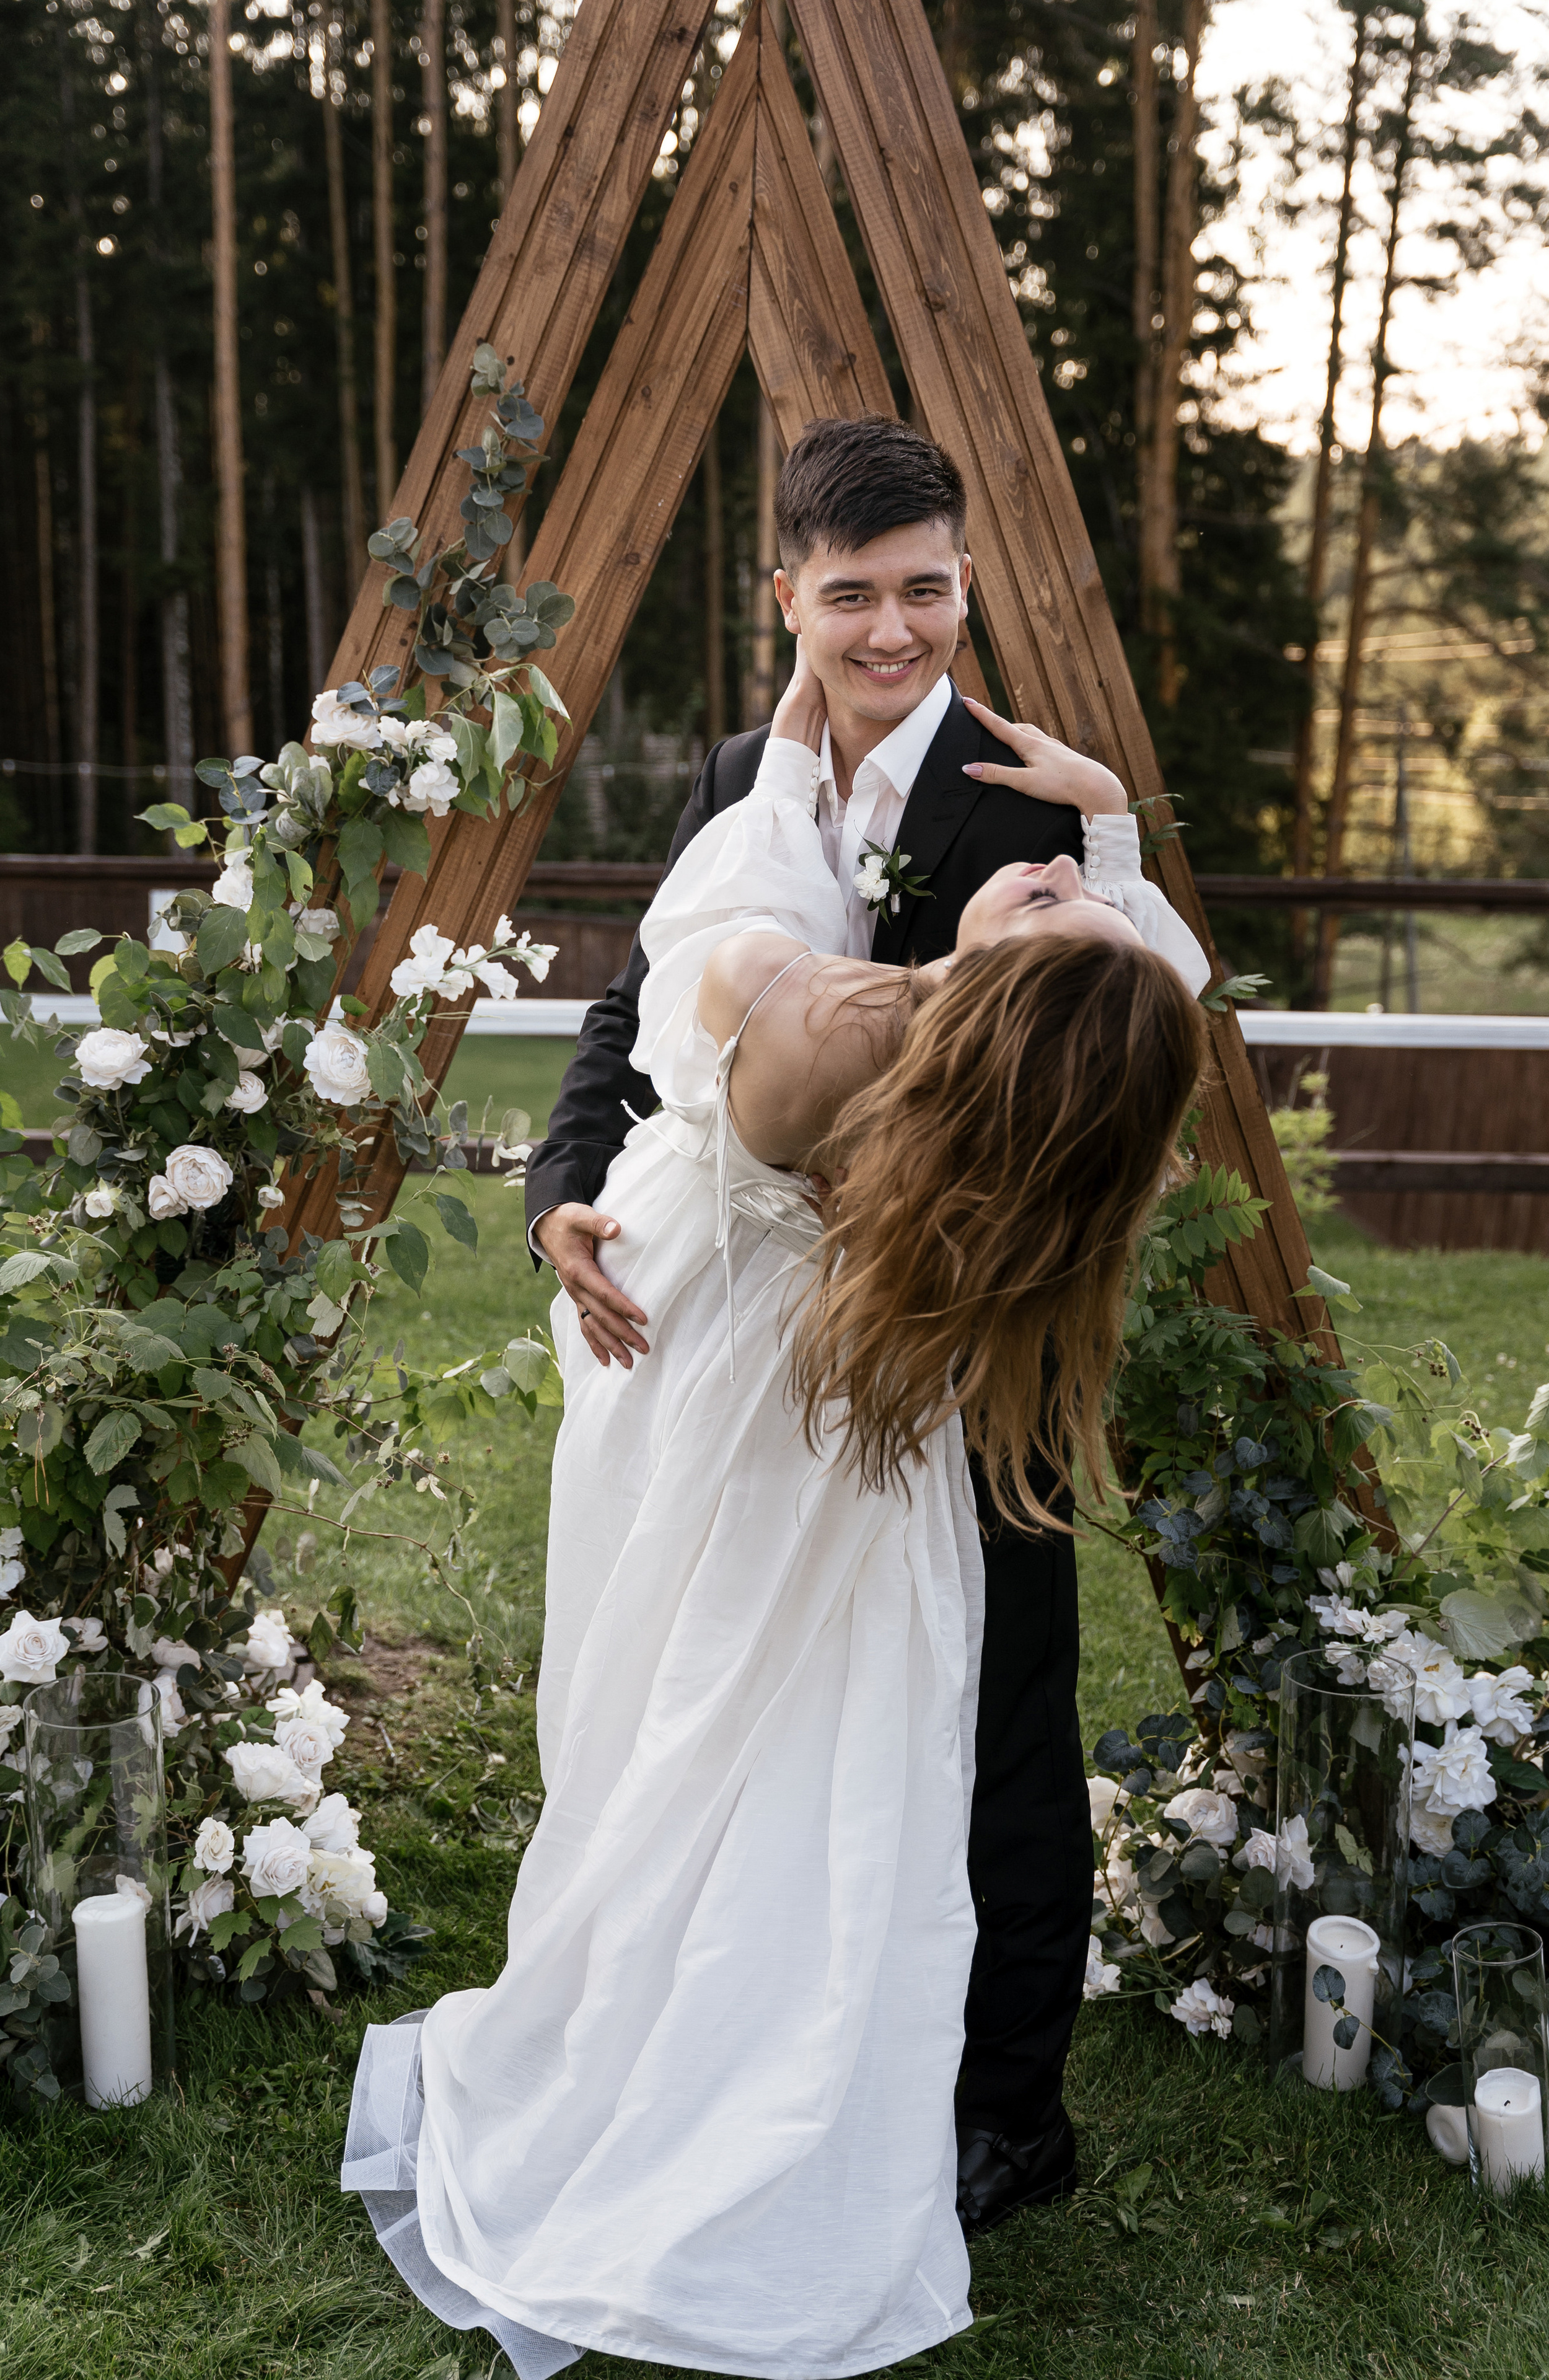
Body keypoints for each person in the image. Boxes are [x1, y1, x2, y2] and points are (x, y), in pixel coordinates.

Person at [341, 655, 1210, 2378]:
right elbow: (1151, 986)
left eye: (1068, 910)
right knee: (801, 1747)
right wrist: (1101, 836)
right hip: (817, 1410)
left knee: (736, 1737)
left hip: (728, 1379)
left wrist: (800, 747)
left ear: (1014, 1013)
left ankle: (739, 2079)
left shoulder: (839, 1023)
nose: (1078, 893)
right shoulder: (1059, 1105)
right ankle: (770, 2068)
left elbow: (710, 931)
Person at [524, 412, 1209, 2232]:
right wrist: (560, 1187)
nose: (894, 632)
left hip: (971, 1331)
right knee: (783, 1683)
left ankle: (1008, 2114)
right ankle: (782, 2029)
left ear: (964, 584)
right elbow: (633, 999)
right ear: (790, 596)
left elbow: (1149, 1011)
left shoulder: (1030, 792)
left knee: (1000, 1710)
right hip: (754, 1329)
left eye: (926, 592)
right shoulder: (746, 766)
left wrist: (1110, 837)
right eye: (854, 596)